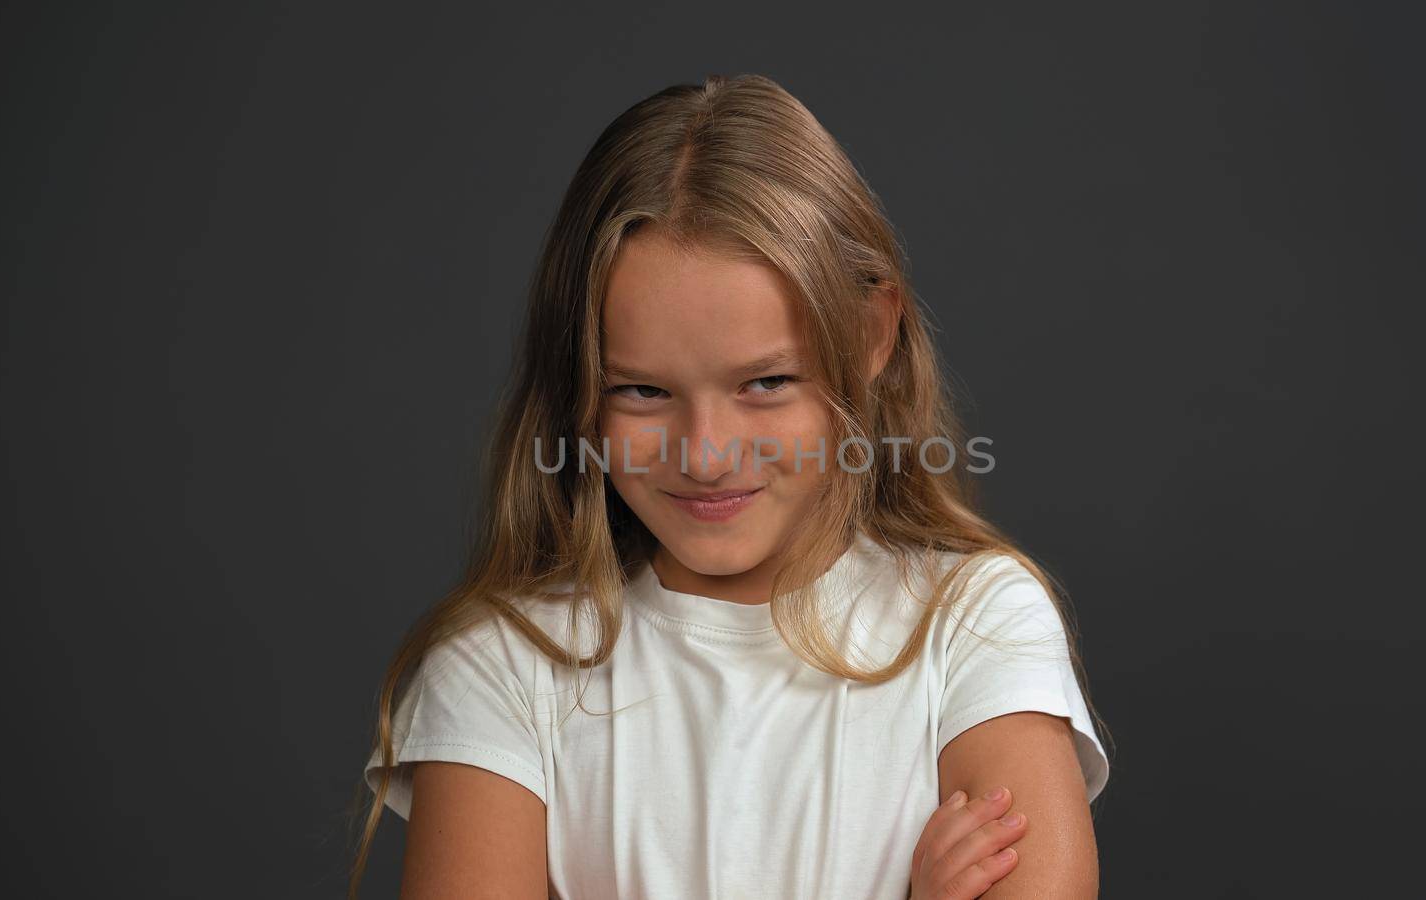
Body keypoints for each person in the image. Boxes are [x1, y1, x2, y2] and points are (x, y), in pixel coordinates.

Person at [348, 73, 1112, 899]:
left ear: (868, 336)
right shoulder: (501, 667)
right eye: (641, 390)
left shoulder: (973, 622)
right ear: (577, 384)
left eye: (766, 383)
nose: (706, 454)